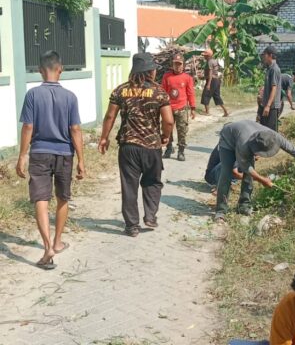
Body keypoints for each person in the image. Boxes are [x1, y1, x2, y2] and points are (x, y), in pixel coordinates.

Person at [15, 50, 85, 269]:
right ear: (60, 69)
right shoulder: (70, 97)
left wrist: (22, 156)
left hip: (39, 153)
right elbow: (75, 129)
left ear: (39, 71)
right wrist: (82, 160)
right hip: (64, 154)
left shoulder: (33, 95)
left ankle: (47, 247)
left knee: (41, 199)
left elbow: (28, 126)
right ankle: (57, 242)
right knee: (62, 197)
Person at [97, 53, 173, 237]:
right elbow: (169, 120)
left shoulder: (120, 90)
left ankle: (132, 226)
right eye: (153, 69)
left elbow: (110, 116)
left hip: (128, 146)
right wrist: (165, 136)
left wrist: (104, 138)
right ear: (149, 71)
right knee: (152, 182)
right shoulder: (159, 92)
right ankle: (150, 217)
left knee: (129, 185)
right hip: (151, 146)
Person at [213, 120, 295, 220]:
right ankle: (221, 211)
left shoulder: (273, 137)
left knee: (249, 177)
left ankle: (243, 206)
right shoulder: (244, 143)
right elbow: (246, 167)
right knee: (226, 173)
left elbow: (292, 148)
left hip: (245, 132)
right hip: (228, 140)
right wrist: (262, 180)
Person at [161, 53, 196, 161]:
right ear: (172, 65)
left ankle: (181, 151)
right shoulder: (167, 76)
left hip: (182, 108)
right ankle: (169, 147)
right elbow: (163, 91)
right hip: (168, 108)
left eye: (180, 64)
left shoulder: (187, 78)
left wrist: (193, 108)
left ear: (183, 65)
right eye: (175, 64)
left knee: (182, 130)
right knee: (167, 129)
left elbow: (190, 93)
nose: (178, 66)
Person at [204, 147, 273, 194]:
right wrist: (261, 180)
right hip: (212, 176)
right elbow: (235, 173)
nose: (259, 157)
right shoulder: (238, 148)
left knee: (245, 162)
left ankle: (227, 183)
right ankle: (220, 187)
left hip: (216, 171)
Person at [258, 46, 282, 132]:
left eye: (265, 55)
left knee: (271, 133)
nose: (263, 57)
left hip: (272, 107)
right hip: (266, 105)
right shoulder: (269, 68)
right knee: (264, 130)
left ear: (270, 55)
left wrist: (268, 106)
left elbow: (274, 88)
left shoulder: (274, 69)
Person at [201, 49, 229, 117]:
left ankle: (207, 112)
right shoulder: (214, 60)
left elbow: (210, 73)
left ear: (208, 56)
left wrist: (208, 84)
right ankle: (225, 111)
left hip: (212, 81)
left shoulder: (210, 62)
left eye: (205, 55)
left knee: (206, 95)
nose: (204, 56)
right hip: (216, 80)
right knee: (217, 96)